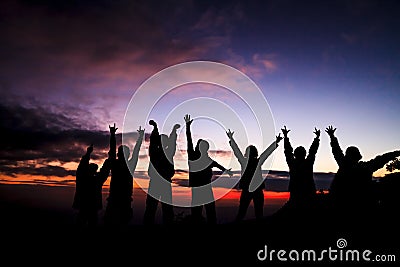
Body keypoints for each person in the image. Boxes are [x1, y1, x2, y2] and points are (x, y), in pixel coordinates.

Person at [325, 125, 400, 218]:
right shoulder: (366, 166)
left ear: (348, 155)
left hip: (345, 207)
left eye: (347, 154)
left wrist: (332, 136)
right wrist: (396, 153)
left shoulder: (346, 165)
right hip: (361, 207)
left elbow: (336, 151)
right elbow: (383, 158)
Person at [184, 114, 232, 224]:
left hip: (204, 187)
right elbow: (189, 141)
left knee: (208, 211)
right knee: (201, 211)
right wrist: (187, 127)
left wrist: (226, 170)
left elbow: (216, 164)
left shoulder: (205, 159)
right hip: (200, 188)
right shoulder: (193, 156)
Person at [226, 129, 282, 222]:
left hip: (249, 190)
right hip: (256, 190)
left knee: (243, 212)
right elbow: (266, 153)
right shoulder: (257, 162)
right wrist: (276, 142)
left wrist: (231, 139)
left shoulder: (244, 162)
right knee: (257, 213)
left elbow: (237, 151)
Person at [104, 123, 144, 227]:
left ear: (119, 154)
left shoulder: (115, 163)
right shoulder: (130, 165)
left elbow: (112, 151)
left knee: (111, 223)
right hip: (123, 199)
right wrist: (140, 137)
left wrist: (113, 134)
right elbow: (136, 152)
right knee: (122, 223)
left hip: (116, 199)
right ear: (128, 155)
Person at [143, 120, 180, 225]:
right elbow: (154, 141)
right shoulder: (154, 152)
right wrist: (155, 128)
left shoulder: (166, 152)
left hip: (163, 183)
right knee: (152, 208)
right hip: (157, 182)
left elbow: (172, 141)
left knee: (164, 209)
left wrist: (173, 130)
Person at [72, 143, 111, 228]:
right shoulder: (96, 180)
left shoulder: (82, 178)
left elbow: (82, 167)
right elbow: (104, 170)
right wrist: (109, 159)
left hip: (84, 205)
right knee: (91, 225)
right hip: (92, 206)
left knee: (82, 223)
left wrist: (88, 153)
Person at [281, 126, 320, 209]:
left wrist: (286, 137)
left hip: (296, 191)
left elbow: (288, 152)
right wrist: (316, 138)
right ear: (305, 154)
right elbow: (312, 152)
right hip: (308, 191)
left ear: (295, 154)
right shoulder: (308, 163)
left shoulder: (292, 163)